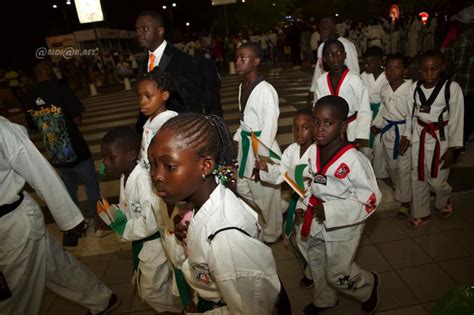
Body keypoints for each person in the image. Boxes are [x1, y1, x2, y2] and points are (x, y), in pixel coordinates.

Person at [147, 113, 286, 314]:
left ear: (206, 166)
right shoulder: (205, 203)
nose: (156, 175)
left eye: (169, 166)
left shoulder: (225, 238)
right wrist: (190, 238)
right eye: (152, 164)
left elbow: (253, 309)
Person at [0, 115, 119, 315]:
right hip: (12, 224)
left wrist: (69, 219)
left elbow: (40, 172)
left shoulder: (3, 130)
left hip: (13, 224)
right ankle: (102, 299)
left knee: (12, 299)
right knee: (56, 267)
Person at [300, 95, 381, 315]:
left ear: (343, 125)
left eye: (329, 123)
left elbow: (371, 199)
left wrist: (331, 211)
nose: (320, 129)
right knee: (315, 260)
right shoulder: (313, 150)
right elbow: (311, 178)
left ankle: (368, 286)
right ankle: (324, 299)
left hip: (343, 223)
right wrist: (304, 202)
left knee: (338, 272)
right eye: (316, 121)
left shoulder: (354, 160)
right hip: (316, 215)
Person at [99, 126, 181, 313]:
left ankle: (180, 310)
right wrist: (112, 213)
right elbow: (129, 207)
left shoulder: (144, 180)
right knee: (154, 288)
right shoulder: (125, 177)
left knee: (152, 291)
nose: (105, 163)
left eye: (110, 157)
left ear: (130, 155)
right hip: (143, 243)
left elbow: (150, 222)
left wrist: (121, 226)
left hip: (154, 244)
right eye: (103, 157)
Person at [22, 61, 108, 238]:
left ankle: (77, 227)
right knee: (92, 186)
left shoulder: (29, 96)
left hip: (55, 153)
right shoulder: (60, 88)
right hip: (77, 149)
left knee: (69, 189)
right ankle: (99, 224)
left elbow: (32, 126)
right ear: (47, 71)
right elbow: (77, 118)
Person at [255, 109, 315, 288]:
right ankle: (311, 269)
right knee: (302, 241)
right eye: (295, 128)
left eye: (305, 128)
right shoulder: (291, 150)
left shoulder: (317, 152)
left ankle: (315, 273)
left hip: (314, 205)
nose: (299, 133)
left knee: (314, 243)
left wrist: (305, 207)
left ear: (314, 127)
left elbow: (319, 184)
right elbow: (281, 172)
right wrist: (267, 168)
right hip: (298, 203)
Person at [233, 42, 283, 243]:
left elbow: (270, 127)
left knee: (265, 194)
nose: (238, 61)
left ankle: (272, 234)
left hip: (261, 146)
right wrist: (237, 139)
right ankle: (279, 209)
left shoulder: (266, 90)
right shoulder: (242, 86)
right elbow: (245, 120)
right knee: (242, 188)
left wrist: (262, 157)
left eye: (243, 58)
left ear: (256, 61)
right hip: (246, 145)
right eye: (237, 57)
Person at [408, 49, 464, 228]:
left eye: (434, 69)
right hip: (420, 137)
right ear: (419, 69)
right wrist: (406, 136)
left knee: (438, 181)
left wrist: (452, 149)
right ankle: (421, 213)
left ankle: (444, 198)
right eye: (425, 70)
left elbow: (456, 120)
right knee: (418, 177)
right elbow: (410, 116)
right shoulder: (414, 88)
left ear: (442, 67)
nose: (429, 74)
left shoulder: (451, 88)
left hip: (442, 140)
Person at [135, 10, 202, 134]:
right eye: (138, 29)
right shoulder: (143, 63)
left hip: (178, 131)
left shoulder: (182, 59)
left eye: (145, 29)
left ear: (160, 31)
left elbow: (194, 98)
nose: (139, 33)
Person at [372, 53, 413, 217]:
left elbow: (411, 115)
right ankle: (400, 187)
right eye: (388, 68)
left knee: (403, 168)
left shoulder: (410, 89)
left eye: (397, 68)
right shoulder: (384, 89)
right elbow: (383, 109)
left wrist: (408, 135)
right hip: (388, 131)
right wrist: (377, 124)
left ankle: (405, 202)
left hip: (403, 133)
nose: (392, 71)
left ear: (405, 70)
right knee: (392, 166)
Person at [315, 39, 371, 144]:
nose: (335, 57)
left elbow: (364, 109)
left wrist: (360, 135)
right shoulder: (321, 81)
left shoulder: (355, 80)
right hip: (328, 129)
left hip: (351, 129)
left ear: (345, 55)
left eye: (339, 53)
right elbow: (317, 106)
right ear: (325, 59)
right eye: (330, 54)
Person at [307, 16, 360, 106]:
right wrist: (312, 90)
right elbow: (319, 69)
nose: (322, 33)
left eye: (325, 29)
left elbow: (354, 70)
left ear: (333, 29)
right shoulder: (322, 47)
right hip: (327, 87)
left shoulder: (346, 45)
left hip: (344, 88)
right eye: (321, 30)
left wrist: (355, 91)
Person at [136, 67, 178, 168]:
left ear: (164, 95)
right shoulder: (149, 124)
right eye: (139, 96)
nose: (142, 101)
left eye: (148, 96)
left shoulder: (168, 127)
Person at [445, 4, 474, 149]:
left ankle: (455, 148)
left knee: (456, 119)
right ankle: (460, 145)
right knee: (468, 118)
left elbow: (453, 66)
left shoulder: (462, 41)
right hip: (471, 86)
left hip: (461, 86)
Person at [360, 46, 389, 178]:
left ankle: (379, 173)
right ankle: (366, 173)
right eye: (364, 63)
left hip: (382, 112)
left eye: (369, 63)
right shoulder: (363, 77)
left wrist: (378, 122)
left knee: (379, 147)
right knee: (365, 148)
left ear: (380, 62)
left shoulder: (387, 77)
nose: (366, 66)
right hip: (366, 112)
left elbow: (387, 102)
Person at [194, 31, 223, 117]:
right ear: (204, 40)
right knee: (214, 116)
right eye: (210, 38)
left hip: (210, 92)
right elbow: (207, 76)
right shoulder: (203, 55)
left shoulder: (206, 53)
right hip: (209, 93)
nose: (212, 40)